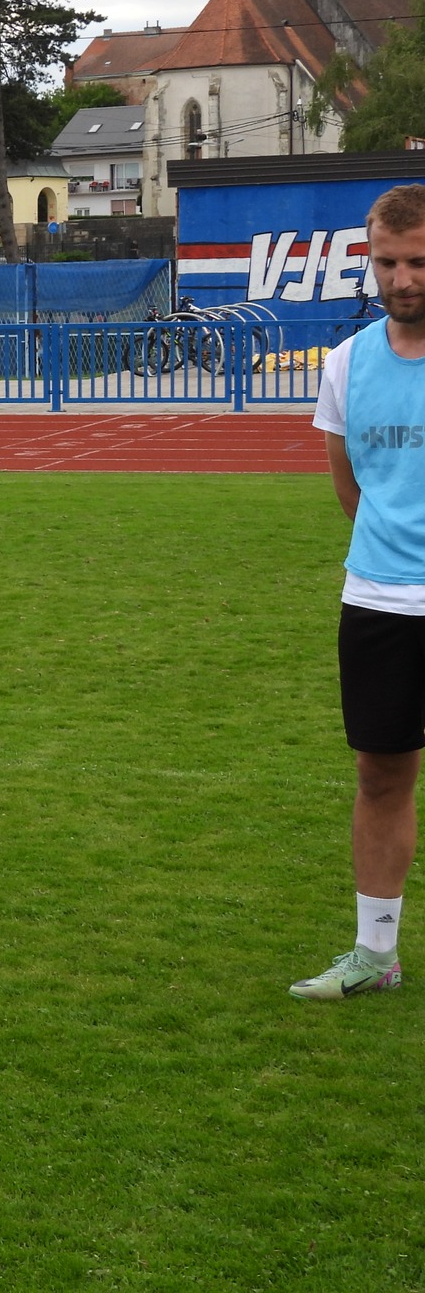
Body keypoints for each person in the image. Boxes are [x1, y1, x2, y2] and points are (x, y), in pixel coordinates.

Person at [294, 183, 425, 1000]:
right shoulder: (346, 363)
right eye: (387, 262)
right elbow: (352, 490)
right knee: (380, 775)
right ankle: (376, 955)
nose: (402, 278)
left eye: (419, 262)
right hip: (379, 598)